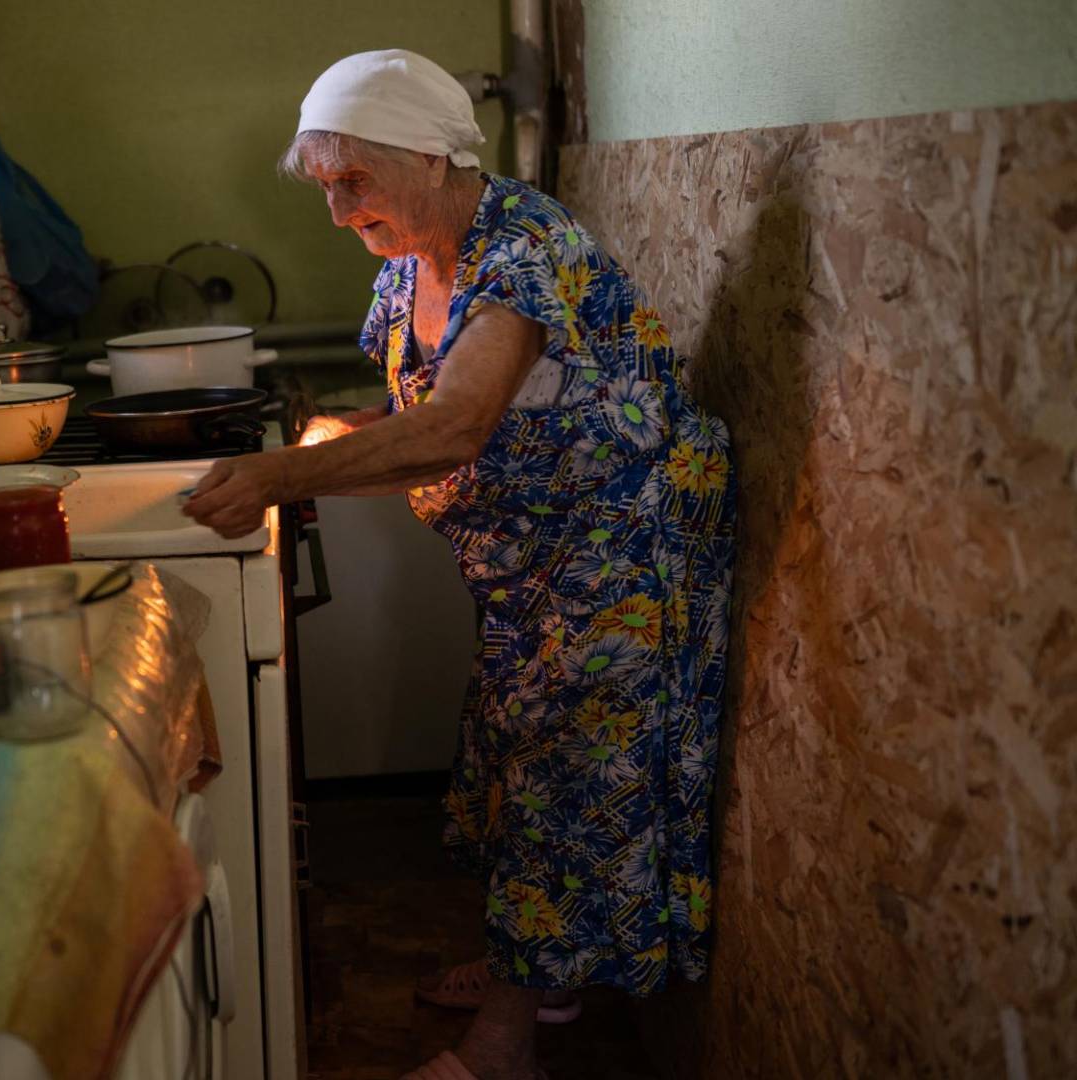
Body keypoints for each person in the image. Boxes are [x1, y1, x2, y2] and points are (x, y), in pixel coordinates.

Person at [181, 50, 736, 1080]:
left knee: (564, 781)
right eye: (326, 188)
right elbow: (416, 419)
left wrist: (278, 476)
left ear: (433, 158)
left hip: (620, 551)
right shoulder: (412, 255)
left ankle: (504, 1044)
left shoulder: (522, 250)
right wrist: (320, 448)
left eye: (356, 182)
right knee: (516, 762)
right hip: (532, 561)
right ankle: (543, 971)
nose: (341, 213)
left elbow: (458, 425)